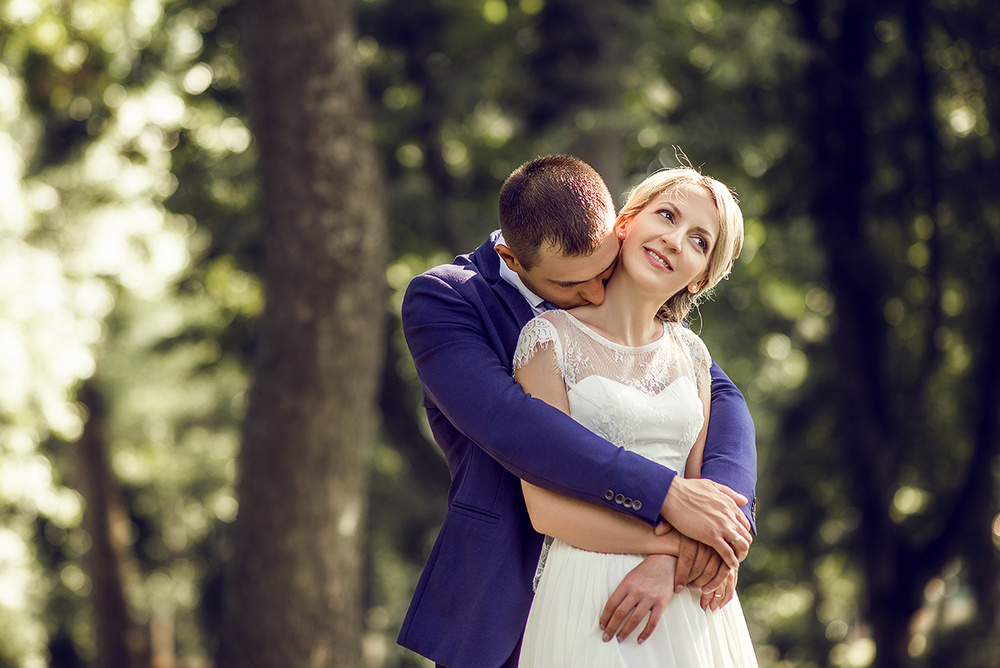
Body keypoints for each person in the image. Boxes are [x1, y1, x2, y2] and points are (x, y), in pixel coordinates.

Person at [397, 155, 756, 668]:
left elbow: (726, 405)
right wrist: (670, 501)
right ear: (513, 259)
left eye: (604, 270)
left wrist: (724, 524)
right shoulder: (448, 301)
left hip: (660, 587)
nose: (594, 291)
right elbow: (515, 426)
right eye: (571, 286)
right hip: (505, 589)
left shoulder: (671, 338)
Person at [513, 166, 757, 666]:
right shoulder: (547, 341)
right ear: (625, 222)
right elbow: (546, 510)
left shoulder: (692, 356)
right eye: (666, 215)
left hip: (687, 598)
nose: (673, 240)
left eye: (698, 241)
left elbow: (701, 486)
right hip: (590, 588)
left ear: (703, 276)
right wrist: (672, 549)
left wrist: (667, 569)